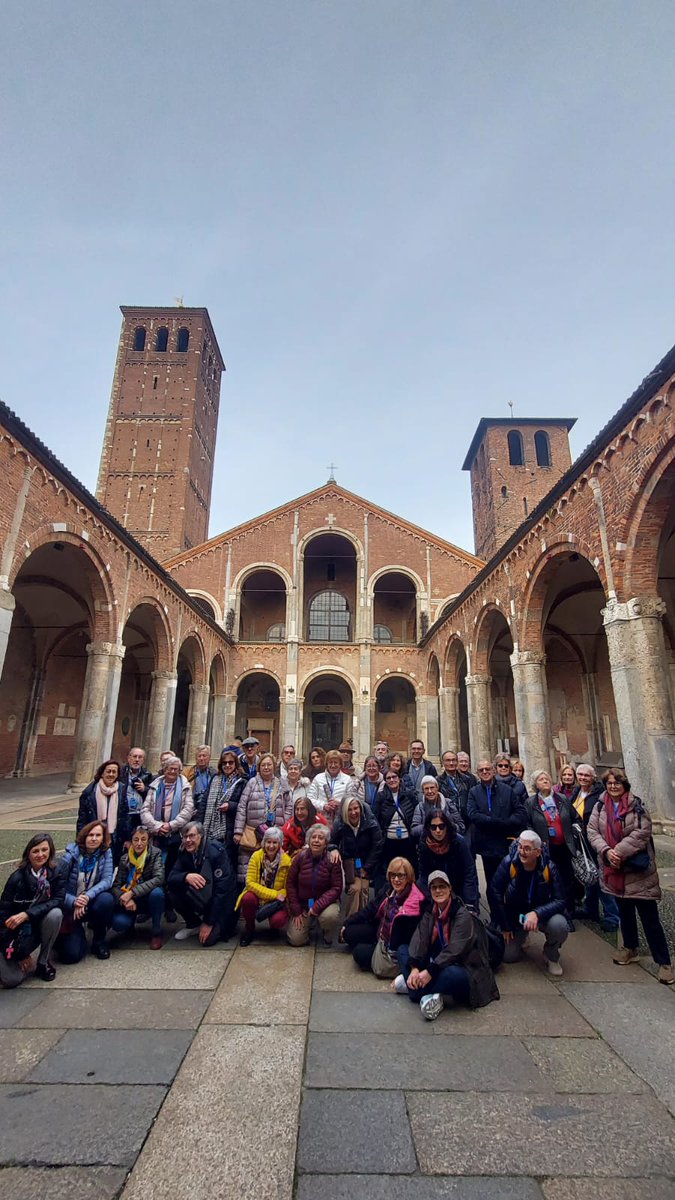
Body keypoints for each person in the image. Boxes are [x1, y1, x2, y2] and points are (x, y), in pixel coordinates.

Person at [588, 769, 673, 985]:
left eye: (617, 783)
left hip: (637, 870)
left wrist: (618, 851)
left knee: (650, 919)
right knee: (625, 914)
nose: (613, 786)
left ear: (624, 785)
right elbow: (592, 831)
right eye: (609, 783)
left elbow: (643, 832)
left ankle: (664, 963)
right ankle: (630, 948)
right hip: (614, 870)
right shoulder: (600, 805)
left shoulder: (636, 805)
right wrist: (607, 852)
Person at [402, 871, 499, 1019]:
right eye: (434, 887)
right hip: (436, 959)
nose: (438, 891)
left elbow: (456, 951)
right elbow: (419, 939)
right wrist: (414, 967)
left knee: (452, 975)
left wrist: (429, 972)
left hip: (463, 965)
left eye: (442, 886)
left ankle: (414, 988)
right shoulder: (430, 911)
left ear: (450, 889)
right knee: (403, 950)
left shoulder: (462, 915)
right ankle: (425, 989)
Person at [488, 830, 569, 977]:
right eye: (520, 847)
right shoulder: (508, 864)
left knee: (560, 925)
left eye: (527, 849)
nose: (522, 852)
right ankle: (522, 936)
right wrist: (505, 926)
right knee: (508, 956)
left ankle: (551, 954)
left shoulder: (549, 868)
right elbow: (494, 893)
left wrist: (537, 914)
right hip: (516, 916)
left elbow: (560, 900)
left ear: (538, 852)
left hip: (542, 916)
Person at [340, 856, 425, 978]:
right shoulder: (388, 889)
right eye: (393, 875)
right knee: (348, 932)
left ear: (408, 877)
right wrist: (347, 923)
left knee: (359, 953)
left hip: (393, 946)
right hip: (379, 931)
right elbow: (371, 909)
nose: (396, 879)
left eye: (401, 875)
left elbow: (408, 940)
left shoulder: (414, 902)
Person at [0, 833, 64, 987]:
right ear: (28, 853)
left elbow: (58, 899)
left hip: (32, 927)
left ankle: (43, 962)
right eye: (35, 851)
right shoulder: (17, 878)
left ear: (50, 851)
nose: (40, 855)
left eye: (44, 850)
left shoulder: (55, 872)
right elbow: (3, 914)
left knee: (56, 914)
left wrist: (27, 914)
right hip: (11, 933)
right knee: (12, 979)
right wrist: (19, 953)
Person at [467, 760, 526, 913]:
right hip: (487, 846)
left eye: (488, 769)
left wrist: (506, 823)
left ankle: (511, 917)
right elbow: (472, 814)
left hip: (506, 843)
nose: (485, 772)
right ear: (478, 773)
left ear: (493, 771)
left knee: (510, 882)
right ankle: (496, 918)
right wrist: (492, 821)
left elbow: (520, 813)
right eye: (481, 770)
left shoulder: (507, 790)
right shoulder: (474, 792)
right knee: (492, 883)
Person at [168, 821, 238, 945]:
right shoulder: (184, 851)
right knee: (173, 891)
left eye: (192, 836)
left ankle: (212, 922)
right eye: (185, 837)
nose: (188, 840)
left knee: (207, 941)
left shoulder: (216, 852)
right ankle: (193, 923)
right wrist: (186, 876)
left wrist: (209, 922)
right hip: (204, 896)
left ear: (201, 836)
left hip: (223, 903)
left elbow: (222, 891)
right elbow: (171, 877)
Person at [141, 756, 194, 917]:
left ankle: (168, 906)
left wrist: (170, 825)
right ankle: (148, 907)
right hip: (156, 835)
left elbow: (188, 809)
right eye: (170, 768)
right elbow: (145, 809)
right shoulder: (155, 785)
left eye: (176, 769)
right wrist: (157, 826)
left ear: (180, 771)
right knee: (150, 871)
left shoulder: (184, 786)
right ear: (164, 769)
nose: (172, 771)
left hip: (175, 835)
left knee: (171, 871)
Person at [524, 769, 581, 919]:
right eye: (541, 779)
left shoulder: (561, 799)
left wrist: (573, 835)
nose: (545, 781)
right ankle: (551, 911)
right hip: (545, 849)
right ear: (535, 784)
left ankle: (569, 912)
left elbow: (575, 818)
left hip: (564, 846)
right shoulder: (531, 803)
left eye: (547, 778)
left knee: (567, 880)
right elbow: (528, 824)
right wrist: (536, 840)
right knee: (549, 880)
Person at [57, 821, 115, 962]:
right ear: (84, 836)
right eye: (90, 835)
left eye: (98, 835)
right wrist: (74, 901)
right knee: (71, 956)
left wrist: (86, 897)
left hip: (91, 901)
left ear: (103, 838)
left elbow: (107, 880)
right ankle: (69, 937)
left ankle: (99, 941)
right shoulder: (70, 856)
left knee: (107, 899)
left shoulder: (106, 853)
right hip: (70, 905)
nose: (94, 838)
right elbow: (57, 888)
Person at [571, 764, 619, 931]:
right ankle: (590, 909)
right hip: (582, 842)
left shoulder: (600, 794)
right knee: (589, 875)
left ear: (593, 777)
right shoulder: (577, 792)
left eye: (587, 775)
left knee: (601, 878)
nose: (583, 777)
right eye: (580, 774)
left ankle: (612, 916)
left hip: (597, 841)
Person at [233, 753, 291, 883]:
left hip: (275, 833)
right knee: (250, 872)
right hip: (253, 833)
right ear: (259, 767)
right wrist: (238, 831)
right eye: (263, 765)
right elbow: (242, 806)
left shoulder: (282, 783)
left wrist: (284, 824)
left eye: (269, 764)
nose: (266, 767)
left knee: (272, 872)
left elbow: (289, 806)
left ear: (274, 766)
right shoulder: (252, 783)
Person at [286, 825, 343, 947]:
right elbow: (290, 883)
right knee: (295, 940)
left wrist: (317, 906)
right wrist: (295, 909)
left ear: (326, 842)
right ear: (309, 840)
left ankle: (327, 932)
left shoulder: (333, 860)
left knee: (329, 916)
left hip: (326, 904)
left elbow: (336, 888)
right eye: (313, 837)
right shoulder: (299, 858)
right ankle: (308, 927)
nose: (316, 840)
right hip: (303, 905)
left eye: (321, 838)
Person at [110, 824, 166, 949]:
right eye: (136, 840)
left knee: (158, 893)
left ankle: (156, 932)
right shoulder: (125, 858)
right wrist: (125, 899)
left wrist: (133, 893)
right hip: (128, 900)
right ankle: (129, 927)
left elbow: (158, 878)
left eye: (143, 839)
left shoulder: (155, 854)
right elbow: (116, 885)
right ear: (131, 841)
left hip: (146, 897)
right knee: (119, 924)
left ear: (148, 841)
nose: (139, 843)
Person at [236, 826, 291, 946]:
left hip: (276, 903)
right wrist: (275, 894)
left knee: (279, 920)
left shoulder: (286, 861)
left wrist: (281, 894)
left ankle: (273, 928)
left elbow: (288, 886)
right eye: (268, 842)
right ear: (264, 842)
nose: (271, 846)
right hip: (260, 896)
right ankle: (249, 928)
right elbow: (250, 883)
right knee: (247, 898)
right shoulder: (256, 856)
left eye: (275, 842)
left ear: (280, 844)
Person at [417, 809, 479, 912]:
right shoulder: (424, 844)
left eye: (441, 826)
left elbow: (469, 873)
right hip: (436, 889)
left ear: (447, 826)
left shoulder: (459, 842)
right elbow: (423, 875)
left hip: (458, 887)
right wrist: (431, 899)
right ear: (428, 828)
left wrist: (470, 903)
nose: (438, 831)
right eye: (433, 827)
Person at [332, 795, 383, 916]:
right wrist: (333, 849)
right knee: (355, 889)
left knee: (364, 889)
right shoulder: (340, 824)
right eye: (349, 809)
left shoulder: (371, 824)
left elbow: (377, 847)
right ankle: (350, 922)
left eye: (356, 808)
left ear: (360, 808)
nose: (353, 812)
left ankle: (362, 919)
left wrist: (366, 868)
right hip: (349, 863)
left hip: (367, 862)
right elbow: (332, 842)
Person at [200, 748, 247, 876]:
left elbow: (244, 806)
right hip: (210, 829)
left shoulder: (242, 781)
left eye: (230, 762)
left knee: (227, 867)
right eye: (224, 763)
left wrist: (230, 806)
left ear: (236, 764)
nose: (227, 765)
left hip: (228, 830)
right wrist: (199, 825)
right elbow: (204, 802)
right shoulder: (215, 778)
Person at [375, 764, 418, 882]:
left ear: (399, 779)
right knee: (391, 874)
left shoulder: (409, 795)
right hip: (389, 842)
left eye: (394, 777)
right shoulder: (381, 797)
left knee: (408, 872)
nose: (392, 780)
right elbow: (376, 818)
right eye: (388, 778)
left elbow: (415, 814)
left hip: (407, 841)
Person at [76, 759, 124, 861]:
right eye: (108, 771)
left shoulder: (122, 790)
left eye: (114, 772)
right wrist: (80, 839)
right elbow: (82, 818)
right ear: (102, 773)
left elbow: (125, 816)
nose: (111, 774)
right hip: (94, 835)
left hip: (114, 837)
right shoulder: (89, 793)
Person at [307, 749, 352, 824]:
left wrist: (340, 804)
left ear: (340, 764)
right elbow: (310, 799)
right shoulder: (318, 778)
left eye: (336, 762)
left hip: (341, 821)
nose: (333, 765)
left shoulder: (347, 779)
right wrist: (324, 806)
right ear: (326, 764)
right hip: (321, 820)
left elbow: (351, 801)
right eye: (330, 762)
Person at [118, 747, 153, 841]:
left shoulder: (148, 774)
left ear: (143, 760)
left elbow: (153, 795)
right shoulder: (120, 773)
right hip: (124, 814)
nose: (137, 760)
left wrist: (144, 789)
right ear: (129, 758)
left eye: (140, 757)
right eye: (134, 756)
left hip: (140, 815)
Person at [438, 750, 474, 831]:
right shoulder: (438, 781)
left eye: (453, 760)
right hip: (447, 821)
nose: (451, 763)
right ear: (443, 762)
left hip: (466, 820)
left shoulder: (467, 780)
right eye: (448, 760)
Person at [185, 745, 216, 813]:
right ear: (196, 758)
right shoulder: (187, 772)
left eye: (204, 756)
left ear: (209, 757)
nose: (201, 758)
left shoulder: (215, 774)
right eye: (199, 756)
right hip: (193, 807)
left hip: (209, 808)